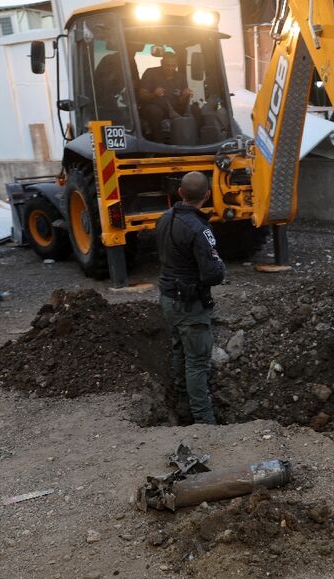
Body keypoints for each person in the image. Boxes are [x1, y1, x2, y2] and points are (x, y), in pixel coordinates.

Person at [156, 172, 225, 425]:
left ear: (180, 193)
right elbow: (212, 274)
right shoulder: (199, 229)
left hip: (168, 299)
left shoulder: (164, 218)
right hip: (189, 304)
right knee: (197, 362)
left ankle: (183, 408)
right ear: (207, 195)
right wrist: (220, 265)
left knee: (180, 352)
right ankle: (204, 422)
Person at [139, 52, 193, 141]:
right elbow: (142, 95)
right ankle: (158, 142)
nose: (170, 68)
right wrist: (154, 94)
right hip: (154, 108)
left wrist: (185, 96)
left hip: (173, 110)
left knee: (195, 109)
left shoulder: (181, 77)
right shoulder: (150, 73)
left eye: (173, 66)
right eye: (167, 65)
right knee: (154, 111)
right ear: (161, 63)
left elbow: (181, 102)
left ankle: (193, 140)